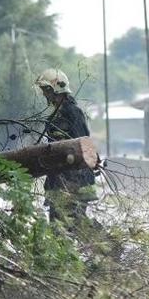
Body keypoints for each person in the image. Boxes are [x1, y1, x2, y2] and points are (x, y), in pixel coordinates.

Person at [35, 68, 99, 229]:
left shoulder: (73, 113)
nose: (44, 95)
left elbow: (83, 144)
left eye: (46, 90)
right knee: (60, 228)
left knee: (73, 225)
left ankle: (110, 248)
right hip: (58, 180)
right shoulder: (53, 118)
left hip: (75, 181)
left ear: (55, 89)